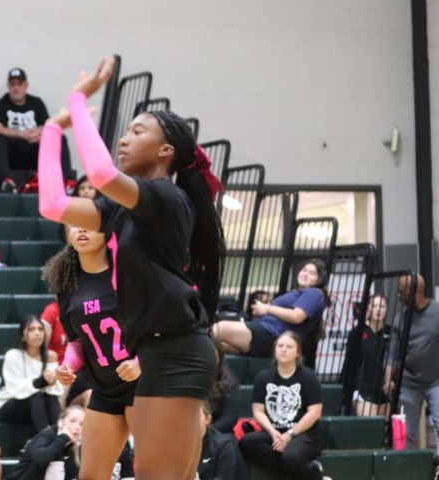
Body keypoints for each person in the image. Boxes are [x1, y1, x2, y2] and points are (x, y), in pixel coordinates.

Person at [37, 56, 225, 479]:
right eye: (125, 131)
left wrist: (79, 101)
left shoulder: (166, 197)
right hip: (157, 352)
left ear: (165, 150)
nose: (124, 139)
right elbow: (53, 204)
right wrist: (52, 130)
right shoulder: (122, 209)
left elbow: (100, 173)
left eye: (137, 131)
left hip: (176, 352)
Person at [44, 225, 140, 479]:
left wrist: (141, 361)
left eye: (90, 223)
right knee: (90, 476)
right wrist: (68, 365)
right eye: (75, 224)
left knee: (156, 472)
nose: (82, 229)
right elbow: (77, 341)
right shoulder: (67, 283)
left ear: (108, 230)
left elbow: (160, 326)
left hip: (144, 385)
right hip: (105, 389)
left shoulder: (128, 274)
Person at [239, 331, 326, 480]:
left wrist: (290, 434)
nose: (283, 349)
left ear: (298, 353)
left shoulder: (308, 377)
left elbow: (315, 412)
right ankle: (300, 471)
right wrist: (273, 432)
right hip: (275, 433)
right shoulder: (263, 377)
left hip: (304, 434)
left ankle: (316, 477)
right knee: (246, 443)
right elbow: (258, 411)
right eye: (280, 346)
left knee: (290, 456)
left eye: (289, 347)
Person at [213, 259, 327, 360]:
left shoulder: (313, 293)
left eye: (312, 273)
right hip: (266, 332)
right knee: (218, 345)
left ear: (319, 279)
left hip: (272, 334)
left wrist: (267, 309)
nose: (305, 274)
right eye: (304, 270)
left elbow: (297, 316)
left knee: (220, 328)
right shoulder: (299, 292)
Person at [0, 67, 73, 193]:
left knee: (60, 137)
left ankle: (68, 182)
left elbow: (50, 126)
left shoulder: (36, 103)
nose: (16, 88)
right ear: (8, 86)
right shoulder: (1, 104)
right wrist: (22, 134)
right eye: (12, 84)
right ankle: (7, 181)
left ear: (26, 86)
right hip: (13, 154)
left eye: (19, 84)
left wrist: (39, 135)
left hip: (35, 151)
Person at [388, 274, 439, 458]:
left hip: (436, 379)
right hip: (408, 382)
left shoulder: (436, 312)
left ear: (414, 292)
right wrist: (388, 380)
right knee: (405, 431)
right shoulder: (400, 319)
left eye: (402, 291)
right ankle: (405, 467)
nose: (399, 295)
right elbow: (392, 353)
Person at [0, 315, 63, 432]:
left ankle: (59, 434)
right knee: (37, 396)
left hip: (38, 407)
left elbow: (55, 391)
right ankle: (45, 438)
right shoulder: (13, 355)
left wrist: (52, 381)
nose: (37, 333)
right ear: (22, 335)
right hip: (11, 405)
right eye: (31, 329)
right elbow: (16, 391)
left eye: (40, 329)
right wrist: (41, 381)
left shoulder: (51, 356)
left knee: (51, 398)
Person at [342, 294, 391, 416]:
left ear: (386, 309)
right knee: (370, 423)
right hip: (362, 389)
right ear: (368, 308)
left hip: (384, 391)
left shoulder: (391, 333)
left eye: (382, 306)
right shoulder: (358, 331)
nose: (378, 310)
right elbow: (349, 362)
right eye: (374, 306)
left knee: (385, 426)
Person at [7, 405, 85, 480]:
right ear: (60, 422)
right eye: (72, 421)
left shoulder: (75, 449)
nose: (77, 427)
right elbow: (40, 460)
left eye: (82, 424)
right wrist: (63, 438)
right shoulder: (45, 437)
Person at [197, 401, 247, 480]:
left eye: (196, 416)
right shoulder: (177, 445)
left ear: (207, 419)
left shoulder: (223, 445)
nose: (191, 420)